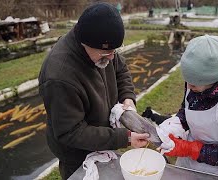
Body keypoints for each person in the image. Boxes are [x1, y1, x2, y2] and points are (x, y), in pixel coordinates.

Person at [38, 3, 149, 179]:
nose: (112, 57)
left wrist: (127, 98)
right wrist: (124, 138)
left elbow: (121, 70)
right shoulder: (58, 77)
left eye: (114, 51)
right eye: (106, 53)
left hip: (103, 140)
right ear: (84, 42)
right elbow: (71, 132)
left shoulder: (102, 48)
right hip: (77, 155)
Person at [143, 35, 218, 180]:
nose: (188, 86)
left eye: (193, 84)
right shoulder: (194, 83)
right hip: (188, 165)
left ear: (213, 78)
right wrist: (176, 124)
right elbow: (187, 109)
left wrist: (189, 148)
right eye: (187, 80)